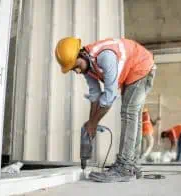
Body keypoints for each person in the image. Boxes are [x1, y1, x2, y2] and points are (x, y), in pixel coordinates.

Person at [55, 37, 156, 182]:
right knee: (133, 116)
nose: (77, 71)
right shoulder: (87, 67)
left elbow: (109, 98)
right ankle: (132, 165)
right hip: (134, 71)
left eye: (76, 66)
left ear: (81, 54)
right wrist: (91, 123)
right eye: (72, 69)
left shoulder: (105, 56)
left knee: (129, 113)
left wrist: (93, 124)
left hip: (141, 67)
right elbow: (95, 95)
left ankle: (125, 167)